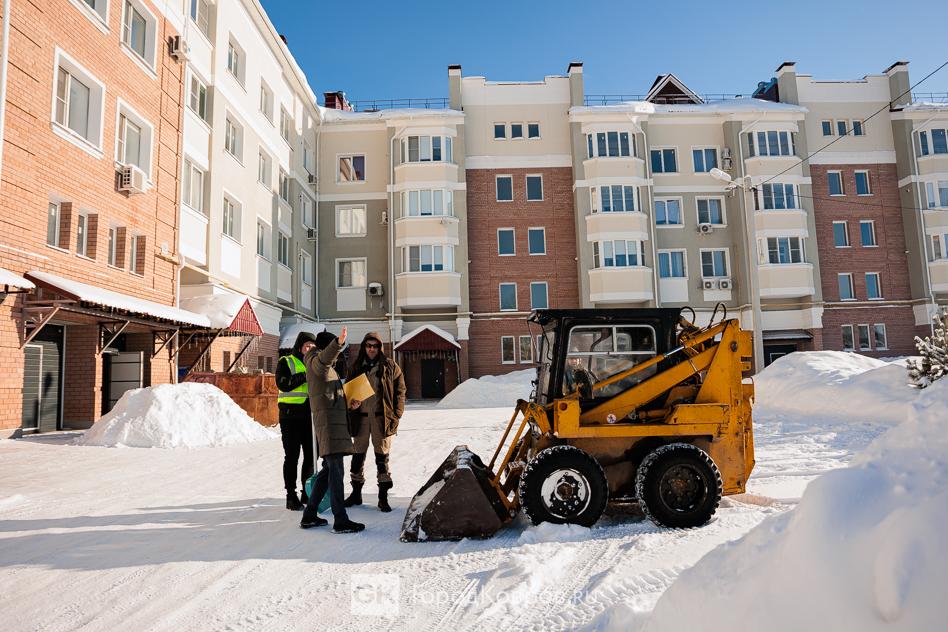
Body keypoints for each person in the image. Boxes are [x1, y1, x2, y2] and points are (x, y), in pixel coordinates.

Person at [299, 326, 365, 534]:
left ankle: (309, 515)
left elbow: (328, 396)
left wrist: (349, 403)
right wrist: (338, 343)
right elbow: (325, 359)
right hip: (329, 426)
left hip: (333, 423)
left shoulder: (322, 367)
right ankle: (340, 520)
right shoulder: (317, 362)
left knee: (327, 471)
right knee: (336, 473)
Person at [343, 332, 406, 512]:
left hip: (381, 419)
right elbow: (347, 392)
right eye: (369, 346)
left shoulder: (390, 366)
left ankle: (383, 497)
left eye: (375, 346)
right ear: (364, 347)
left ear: (380, 347)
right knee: (357, 457)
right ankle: (356, 494)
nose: (372, 349)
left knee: (382, 459)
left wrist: (397, 414)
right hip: (361, 419)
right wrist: (350, 404)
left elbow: (400, 390)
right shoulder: (356, 367)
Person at [275, 332, 317, 510]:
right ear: (300, 347)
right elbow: (283, 384)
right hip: (290, 417)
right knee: (292, 457)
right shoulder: (286, 361)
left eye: (313, 346)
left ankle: (306, 493)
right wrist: (305, 374)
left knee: (311, 456)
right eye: (307, 346)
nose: (310, 349)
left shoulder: (315, 364)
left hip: (309, 417)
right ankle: (291, 496)